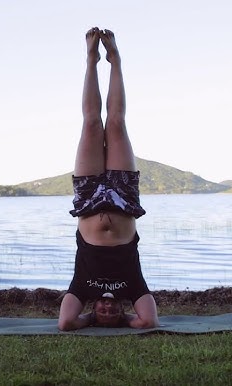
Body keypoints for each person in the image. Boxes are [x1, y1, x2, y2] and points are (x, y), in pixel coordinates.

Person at [57, 28, 160, 331]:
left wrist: (90, 318)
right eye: (108, 310)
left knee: (91, 124)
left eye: (100, 310)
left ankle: (90, 61)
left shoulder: (83, 288)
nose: (105, 306)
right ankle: (114, 60)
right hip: (124, 198)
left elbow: (65, 322)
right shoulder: (132, 286)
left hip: (88, 200)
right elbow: (149, 320)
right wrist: (122, 319)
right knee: (115, 123)